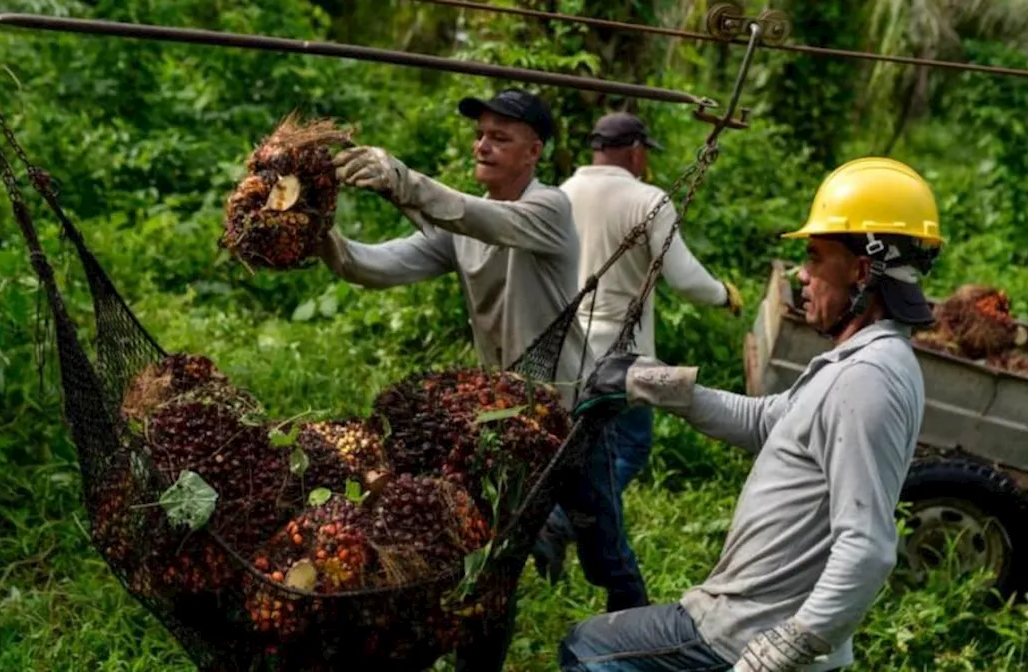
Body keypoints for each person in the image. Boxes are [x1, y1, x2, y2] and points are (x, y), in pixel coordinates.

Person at [557, 156, 946, 672]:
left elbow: (869, 547)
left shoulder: (865, 380)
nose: (801, 276)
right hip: (747, 619)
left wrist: (791, 644)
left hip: (745, 632)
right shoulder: (863, 361)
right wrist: (651, 382)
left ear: (861, 270)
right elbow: (767, 421)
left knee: (586, 648)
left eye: (813, 258)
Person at [319, 87, 623, 671]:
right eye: (480, 134)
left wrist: (403, 181)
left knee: (606, 551)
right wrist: (322, 237)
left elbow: (480, 217)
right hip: (506, 421)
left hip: (570, 413)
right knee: (493, 553)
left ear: (533, 152)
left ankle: (633, 627)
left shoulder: (549, 209)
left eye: (500, 137)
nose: (483, 145)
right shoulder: (459, 224)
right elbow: (377, 266)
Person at [531, 111, 743, 606]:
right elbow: (686, 278)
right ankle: (562, 529)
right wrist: (723, 294)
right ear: (636, 151)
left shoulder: (560, 192)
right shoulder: (648, 200)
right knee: (629, 447)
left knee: (580, 450)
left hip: (565, 352)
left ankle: (555, 527)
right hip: (623, 358)